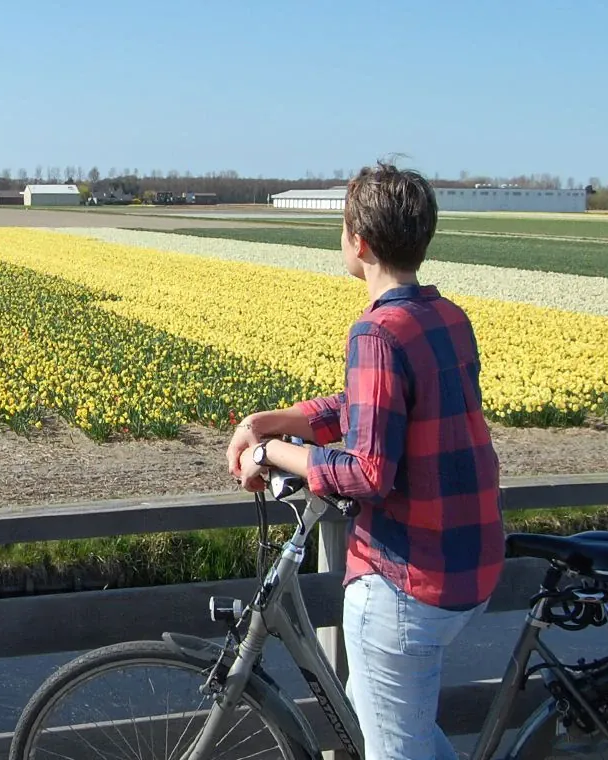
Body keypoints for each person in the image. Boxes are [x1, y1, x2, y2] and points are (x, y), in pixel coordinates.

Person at [225, 161, 505, 760]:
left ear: (361, 243)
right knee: (384, 713)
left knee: (391, 748)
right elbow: (369, 407)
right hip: (470, 567)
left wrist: (274, 453)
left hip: (408, 580)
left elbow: (368, 471)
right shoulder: (448, 318)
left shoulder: (376, 332)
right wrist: (276, 421)